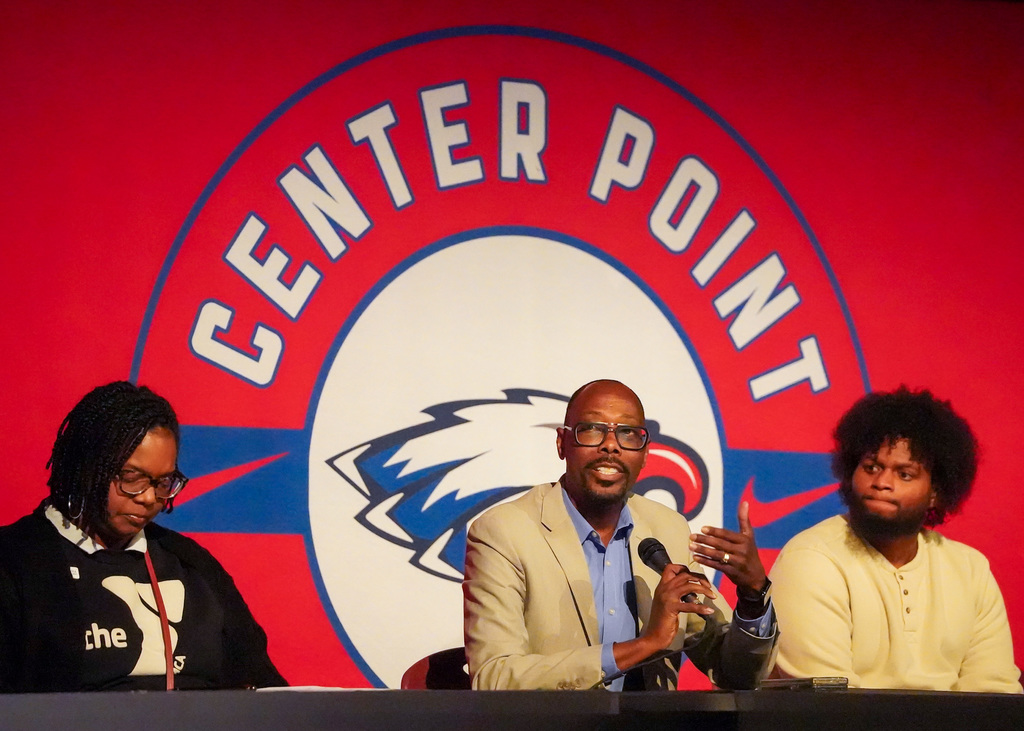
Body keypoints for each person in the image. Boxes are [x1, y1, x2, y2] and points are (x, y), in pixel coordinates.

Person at [463, 379, 777, 690]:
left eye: (628, 433)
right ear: (562, 443)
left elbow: (737, 675)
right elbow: (494, 677)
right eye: (592, 429)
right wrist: (645, 645)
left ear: (644, 453)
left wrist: (752, 597)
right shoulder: (504, 532)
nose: (611, 445)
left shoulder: (667, 529)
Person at [0, 381, 287, 692]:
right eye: (132, 478)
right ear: (86, 466)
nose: (149, 498)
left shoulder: (192, 565)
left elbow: (263, 688)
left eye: (164, 482)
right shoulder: (15, 562)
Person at [770, 386, 1022, 693]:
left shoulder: (970, 569)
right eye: (871, 467)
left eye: (904, 474)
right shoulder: (812, 559)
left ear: (936, 492)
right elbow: (828, 708)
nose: (882, 483)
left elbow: (993, 695)